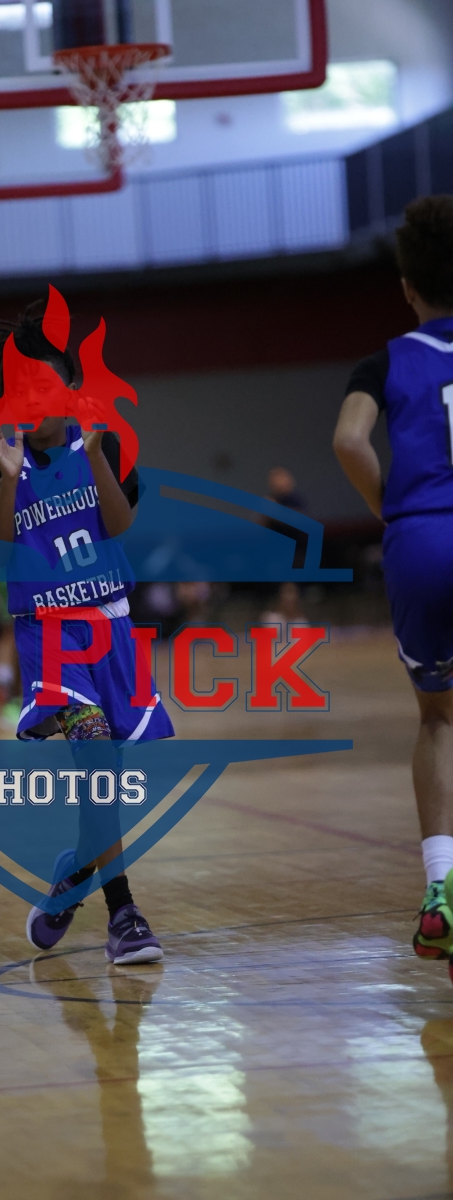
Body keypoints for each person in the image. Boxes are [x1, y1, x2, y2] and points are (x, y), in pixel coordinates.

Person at [0, 300, 174, 965]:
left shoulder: (102, 441)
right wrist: (7, 481)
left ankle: (74, 879)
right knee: (95, 759)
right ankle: (125, 915)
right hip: (51, 633)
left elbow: (120, 525)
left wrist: (96, 460)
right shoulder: (3, 457)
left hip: (110, 622)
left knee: (109, 778)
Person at [333, 195, 453, 973]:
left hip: (423, 540)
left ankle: (442, 888)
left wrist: (392, 507)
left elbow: (349, 439)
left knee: (439, 721)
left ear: (407, 287)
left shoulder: (386, 359)